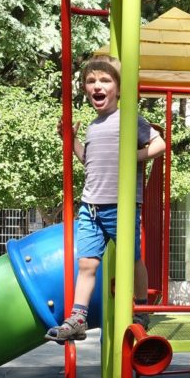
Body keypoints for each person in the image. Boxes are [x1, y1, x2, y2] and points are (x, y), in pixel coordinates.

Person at [46, 54, 166, 343]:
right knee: (87, 264)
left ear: (120, 88)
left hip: (121, 206)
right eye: (91, 81)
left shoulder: (129, 119)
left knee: (132, 259)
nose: (97, 86)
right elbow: (87, 159)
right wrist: (70, 139)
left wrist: (133, 156)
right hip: (91, 206)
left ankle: (141, 308)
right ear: (85, 89)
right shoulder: (93, 126)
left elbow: (160, 144)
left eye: (105, 80)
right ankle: (78, 317)